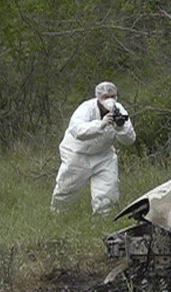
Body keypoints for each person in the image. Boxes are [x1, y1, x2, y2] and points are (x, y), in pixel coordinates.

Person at [51, 81, 136, 215]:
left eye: (113, 96)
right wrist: (99, 125)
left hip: (104, 155)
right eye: (105, 97)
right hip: (78, 153)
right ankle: (57, 216)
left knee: (107, 192)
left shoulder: (120, 111)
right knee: (67, 189)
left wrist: (121, 128)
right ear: (98, 97)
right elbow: (77, 131)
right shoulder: (86, 108)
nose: (110, 100)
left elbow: (130, 139)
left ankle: (103, 220)